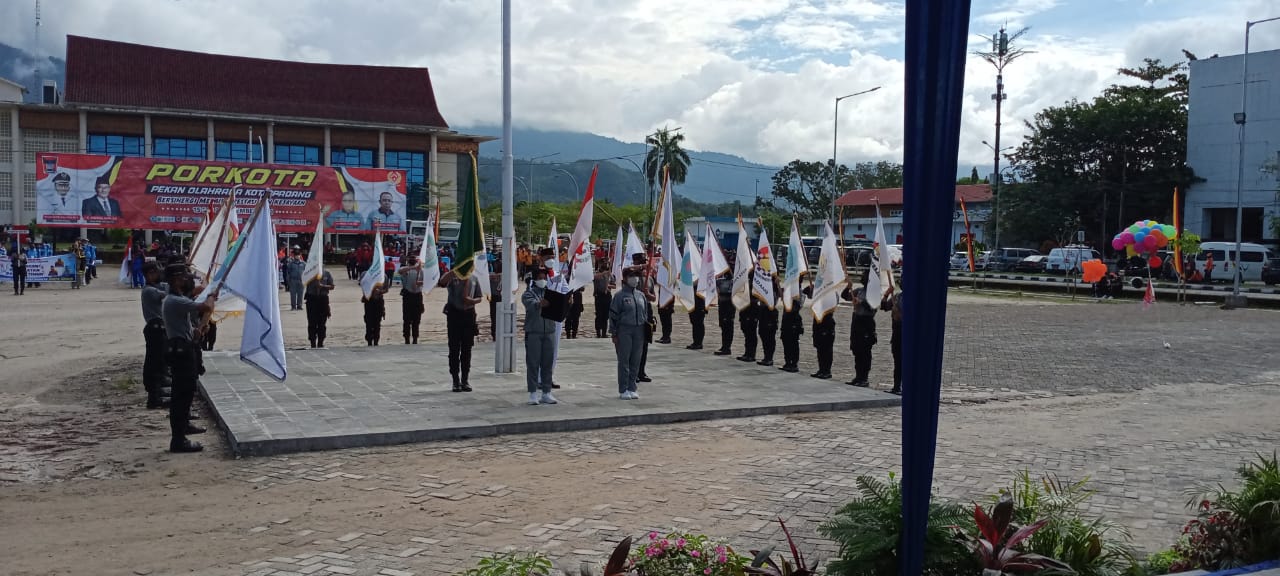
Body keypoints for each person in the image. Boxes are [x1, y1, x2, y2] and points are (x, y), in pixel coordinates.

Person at [161, 263, 216, 453]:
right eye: (183, 277)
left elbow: (186, 327)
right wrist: (211, 293)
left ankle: (183, 427)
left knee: (186, 391)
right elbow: (206, 306)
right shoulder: (174, 300)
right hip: (181, 352)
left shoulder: (177, 299)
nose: (187, 279)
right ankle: (178, 439)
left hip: (183, 347)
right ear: (175, 279)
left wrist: (197, 330)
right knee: (181, 396)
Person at [440, 267, 482, 392]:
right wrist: (453, 271)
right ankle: (455, 380)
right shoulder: (453, 278)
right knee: (454, 349)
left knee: (467, 349)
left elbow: (479, 296)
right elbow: (441, 282)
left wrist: (472, 301)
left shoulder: (474, 279)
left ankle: (465, 380)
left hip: (469, 315)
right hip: (454, 315)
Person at [610, 267, 649, 400]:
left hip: (639, 330)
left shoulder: (641, 295)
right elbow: (613, 316)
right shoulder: (619, 296)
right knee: (624, 360)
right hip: (624, 330)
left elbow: (645, 314)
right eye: (632, 276)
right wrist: (614, 334)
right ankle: (623, 388)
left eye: (636, 276)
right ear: (625, 279)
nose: (635, 279)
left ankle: (632, 387)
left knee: (635, 360)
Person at [522, 267, 559, 405]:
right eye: (540, 278)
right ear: (535, 280)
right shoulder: (528, 294)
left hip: (549, 331)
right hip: (534, 332)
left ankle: (546, 392)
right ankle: (532, 393)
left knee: (547, 363)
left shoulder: (551, 294)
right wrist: (539, 304)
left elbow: (558, 310)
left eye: (544, 277)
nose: (542, 280)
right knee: (533, 363)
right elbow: (530, 305)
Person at [845, 270, 878, 387]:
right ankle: (858, 376)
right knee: (856, 349)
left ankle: (864, 378)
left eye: (865, 276)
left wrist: (861, 303)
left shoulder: (873, 293)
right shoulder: (859, 291)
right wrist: (848, 286)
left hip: (866, 323)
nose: (862, 277)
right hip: (857, 321)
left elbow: (873, 307)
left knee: (865, 352)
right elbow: (846, 296)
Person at [809, 283, 835, 380]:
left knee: (826, 348)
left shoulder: (832, 292)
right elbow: (807, 292)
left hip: (826, 321)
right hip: (818, 320)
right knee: (819, 346)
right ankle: (821, 369)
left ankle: (827, 371)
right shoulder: (818, 290)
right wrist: (812, 289)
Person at [304, 268, 335, 348]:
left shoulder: (326, 273)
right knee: (312, 322)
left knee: (322, 323)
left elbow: (332, 286)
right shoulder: (309, 273)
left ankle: (321, 342)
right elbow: (303, 281)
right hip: (311, 299)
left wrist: (323, 286)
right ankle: (312, 342)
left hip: (323, 299)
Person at [754, 275, 780, 367]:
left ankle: (769, 358)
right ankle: (766, 357)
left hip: (770, 311)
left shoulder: (774, 286)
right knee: (762, 333)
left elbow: (775, 299)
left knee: (769, 336)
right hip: (762, 311)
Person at [399, 256, 425, 344]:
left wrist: (419, 283)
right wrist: (414, 268)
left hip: (417, 296)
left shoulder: (421, 271)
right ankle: (406, 338)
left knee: (416, 319)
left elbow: (427, 281)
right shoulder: (406, 269)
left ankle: (415, 338)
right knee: (406, 319)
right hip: (408, 295)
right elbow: (400, 271)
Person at [779, 288, 804, 373]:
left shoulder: (799, 291)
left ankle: (794, 364)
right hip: (786, 320)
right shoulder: (787, 290)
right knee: (786, 342)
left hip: (794, 321)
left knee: (793, 344)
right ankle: (788, 362)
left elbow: (797, 306)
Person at [883, 287, 903, 395]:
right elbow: (884, 306)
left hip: (906, 333)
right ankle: (896, 386)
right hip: (896, 334)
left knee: (905, 362)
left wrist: (898, 310)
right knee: (897, 362)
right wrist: (886, 295)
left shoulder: (914, 297)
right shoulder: (897, 297)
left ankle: (903, 386)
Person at [737, 270, 759, 363]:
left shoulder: (757, 283)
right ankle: (747, 352)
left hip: (752, 308)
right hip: (745, 308)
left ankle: (751, 354)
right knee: (746, 330)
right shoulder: (745, 282)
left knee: (751, 332)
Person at [714, 268, 735, 355]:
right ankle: (724, 346)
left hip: (729, 305)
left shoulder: (734, 280)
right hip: (722, 304)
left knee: (728, 326)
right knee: (723, 325)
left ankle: (727, 347)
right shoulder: (720, 281)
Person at [592, 262, 613, 338]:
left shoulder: (610, 274)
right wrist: (604, 273)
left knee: (606, 315)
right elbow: (594, 277)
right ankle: (598, 332)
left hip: (607, 296)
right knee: (599, 315)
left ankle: (604, 332)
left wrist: (608, 286)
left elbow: (614, 285)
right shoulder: (597, 273)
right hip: (599, 296)